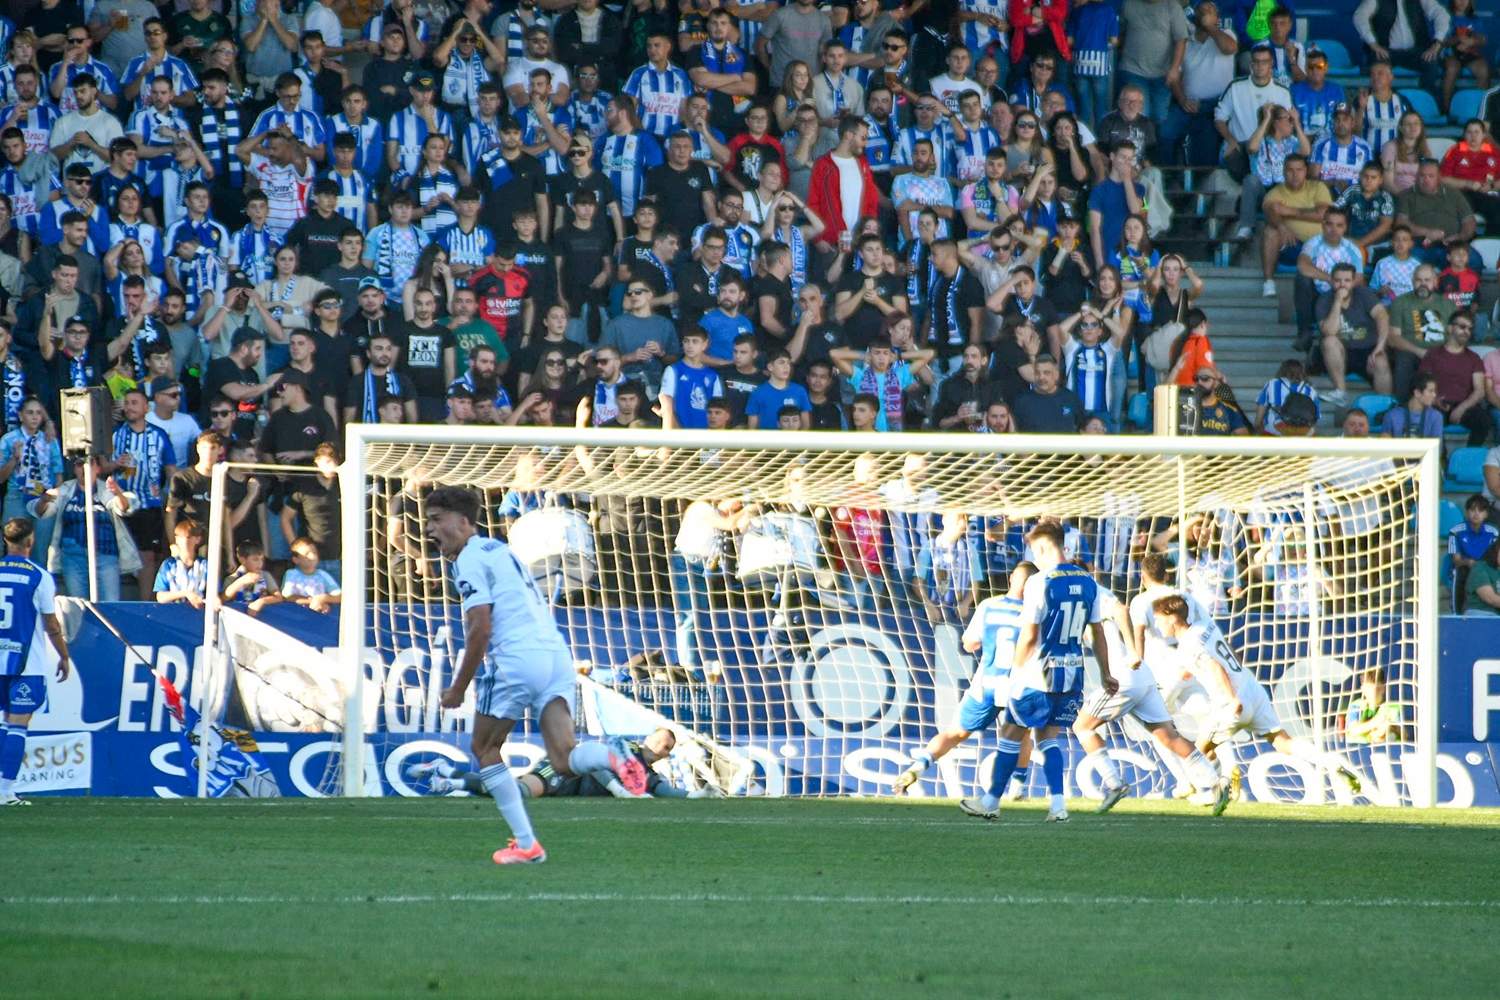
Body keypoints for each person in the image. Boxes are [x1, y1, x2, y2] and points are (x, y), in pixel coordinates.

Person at [426, 486, 647, 864]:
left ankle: (527, 843)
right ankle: (612, 753)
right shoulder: (501, 550)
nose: (429, 530)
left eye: (436, 520)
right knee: (563, 759)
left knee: (484, 749)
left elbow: (481, 627)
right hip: (556, 656)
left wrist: (458, 687)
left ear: (464, 522)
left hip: (517, 659)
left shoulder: (468, 559)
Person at [960, 521, 1112, 822]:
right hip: (1071, 673)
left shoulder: (1039, 582)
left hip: (1038, 674)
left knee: (1011, 731)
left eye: (1035, 551)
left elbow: (1029, 636)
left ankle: (991, 801)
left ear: (1042, 547)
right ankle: (1058, 806)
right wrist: (1106, 671)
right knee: (1046, 737)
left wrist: (1014, 673)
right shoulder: (1087, 582)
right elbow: (1097, 633)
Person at [1153, 593, 1362, 796]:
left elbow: (1214, 666)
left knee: (1197, 753)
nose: (1157, 623)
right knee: (1282, 741)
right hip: (1251, 687)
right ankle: (1330, 762)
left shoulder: (1187, 645)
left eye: (1159, 618)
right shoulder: (1205, 626)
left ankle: (1214, 791)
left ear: (1172, 618)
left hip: (1230, 702)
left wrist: (1232, 698)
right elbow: (1214, 660)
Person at [1074, 588, 1231, 815]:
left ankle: (1114, 783)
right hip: (1142, 677)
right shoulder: (1081, 602)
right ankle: (1215, 783)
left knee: (1082, 727)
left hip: (1123, 676)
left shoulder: (1093, 594)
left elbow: (1121, 609)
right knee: (1168, 736)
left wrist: (1133, 651)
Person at [893, 563, 1037, 796]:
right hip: (1016, 687)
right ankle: (1018, 788)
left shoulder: (989, 605)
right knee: (1022, 735)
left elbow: (969, 643)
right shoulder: (1036, 613)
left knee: (955, 733)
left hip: (986, 684)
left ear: (1011, 579)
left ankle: (915, 768)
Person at [0, 517, 70, 806]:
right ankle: (5, 791)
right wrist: (64, 655)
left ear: (6, 541)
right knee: (18, 724)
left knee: (4, 724)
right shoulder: (39, 576)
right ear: (31, 541)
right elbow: (51, 624)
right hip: (25, 664)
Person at [153, 518, 208, 606]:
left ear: (198, 539)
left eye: (188, 537)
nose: (185, 541)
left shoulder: (206, 565)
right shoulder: (168, 565)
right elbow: (160, 597)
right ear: (176, 539)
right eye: (180, 537)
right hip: (172, 613)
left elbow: (215, 594)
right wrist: (185, 593)